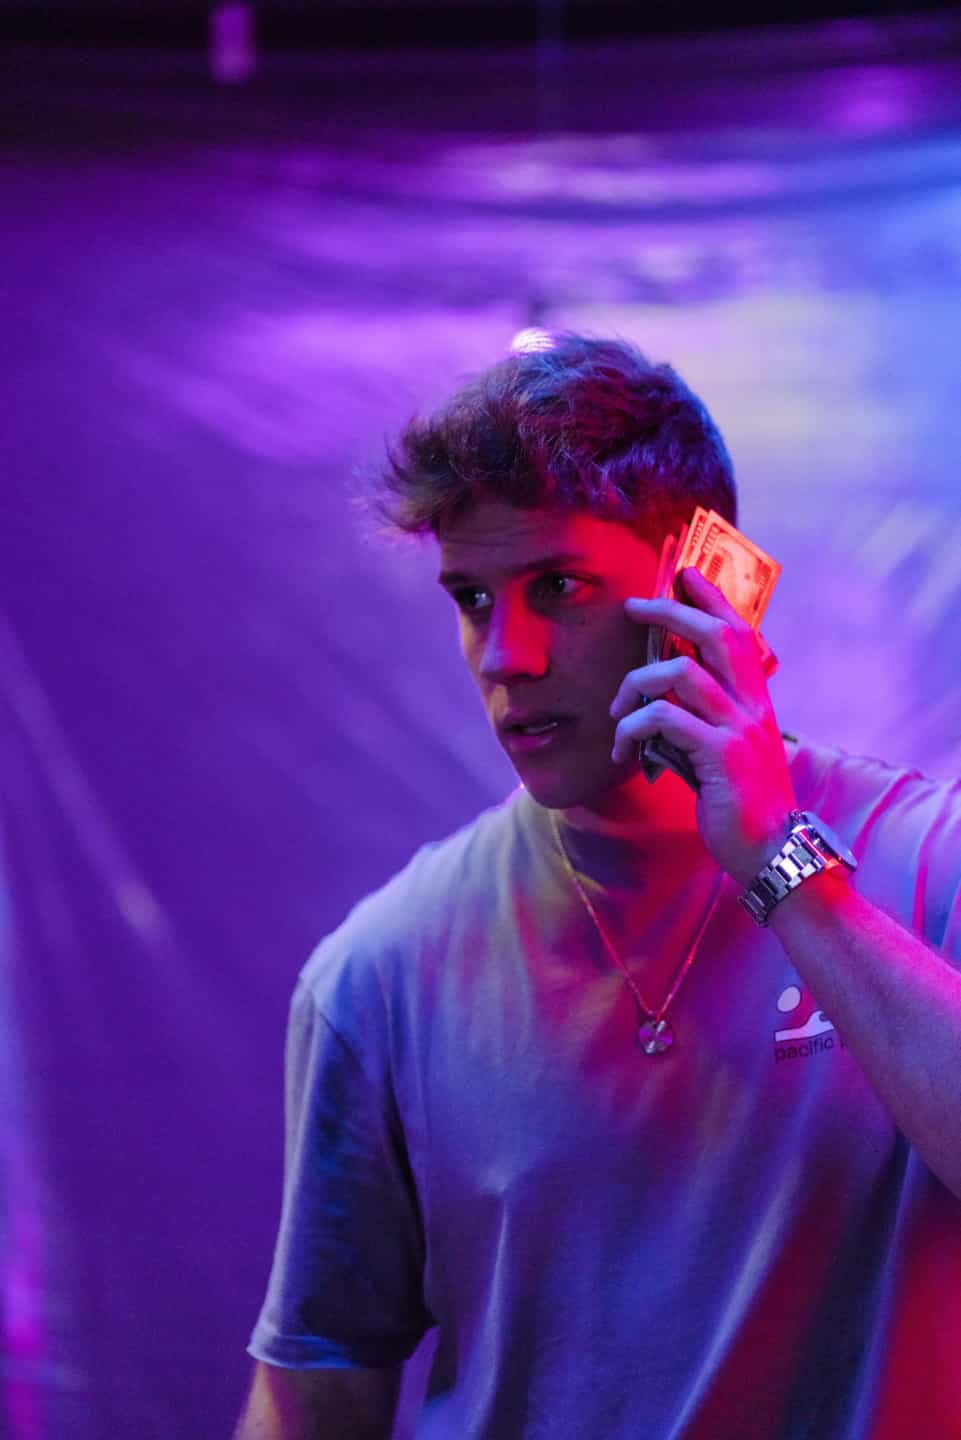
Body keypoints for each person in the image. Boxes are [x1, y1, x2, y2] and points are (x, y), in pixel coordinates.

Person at [234, 335, 961, 1439]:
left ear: (703, 583)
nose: (504, 655)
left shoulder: (928, 862)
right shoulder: (379, 973)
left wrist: (779, 863)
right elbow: (312, 1399)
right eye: (472, 598)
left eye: (557, 587)